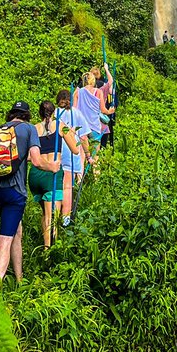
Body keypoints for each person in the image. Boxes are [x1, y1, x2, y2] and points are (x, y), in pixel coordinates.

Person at [0, 101, 61, 281]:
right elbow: (37, 161)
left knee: (17, 230)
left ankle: (19, 279)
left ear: (11, 114)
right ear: (27, 115)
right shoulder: (29, 129)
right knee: (5, 242)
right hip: (14, 193)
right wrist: (53, 166)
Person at [28, 99, 79, 249]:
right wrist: (72, 133)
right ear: (54, 112)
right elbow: (75, 150)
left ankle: (46, 247)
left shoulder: (33, 129)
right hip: (52, 174)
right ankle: (48, 251)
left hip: (36, 174)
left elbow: (27, 154)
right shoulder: (60, 126)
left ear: (40, 113)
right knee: (52, 217)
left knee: (45, 213)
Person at [56, 88, 89, 226]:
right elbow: (83, 137)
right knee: (68, 187)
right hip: (71, 153)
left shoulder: (55, 113)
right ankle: (65, 219)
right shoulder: (77, 113)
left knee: (57, 188)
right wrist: (88, 154)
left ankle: (54, 218)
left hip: (55, 154)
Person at [74, 68, 114, 176]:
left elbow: (74, 109)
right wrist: (110, 111)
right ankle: (96, 178)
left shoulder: (78, 92)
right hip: (95, 127)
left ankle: (79, 179)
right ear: (93, 81)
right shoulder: (98, 92)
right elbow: (103, 110)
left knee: (82, 155)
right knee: (96, 154)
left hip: (82, 127)